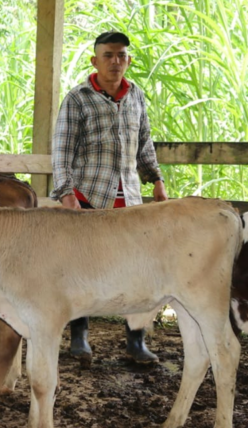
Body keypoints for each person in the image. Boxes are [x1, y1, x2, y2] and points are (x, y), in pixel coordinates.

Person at [51, 31, 168, 364]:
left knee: (137, 271)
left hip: (128, 199)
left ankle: (136, 341)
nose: (116, 61)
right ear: (95, 61)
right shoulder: (78, 99)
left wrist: (156, 180)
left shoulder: (136, 97)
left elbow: (144, 145)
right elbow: (62, 150)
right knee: (81, 268)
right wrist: (66, 194)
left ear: (128, 60)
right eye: (108, 55)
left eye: (121, 56)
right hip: (88, 196)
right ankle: (79, 338)